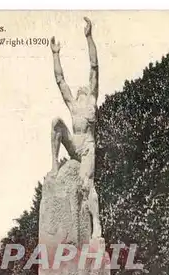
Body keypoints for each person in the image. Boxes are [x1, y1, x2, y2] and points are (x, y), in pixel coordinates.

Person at [50, 17, 101, 239]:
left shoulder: (91, 100)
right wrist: (55, 54)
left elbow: (94, 67)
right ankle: (54, 165)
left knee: (87, 184)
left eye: (83, 89)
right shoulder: (73, 106)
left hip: (87, 147)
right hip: (74, 145)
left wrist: (89, 37)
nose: (80, 90)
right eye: (78, 91)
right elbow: (60, 80)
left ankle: (96, 225)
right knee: (55, 124)